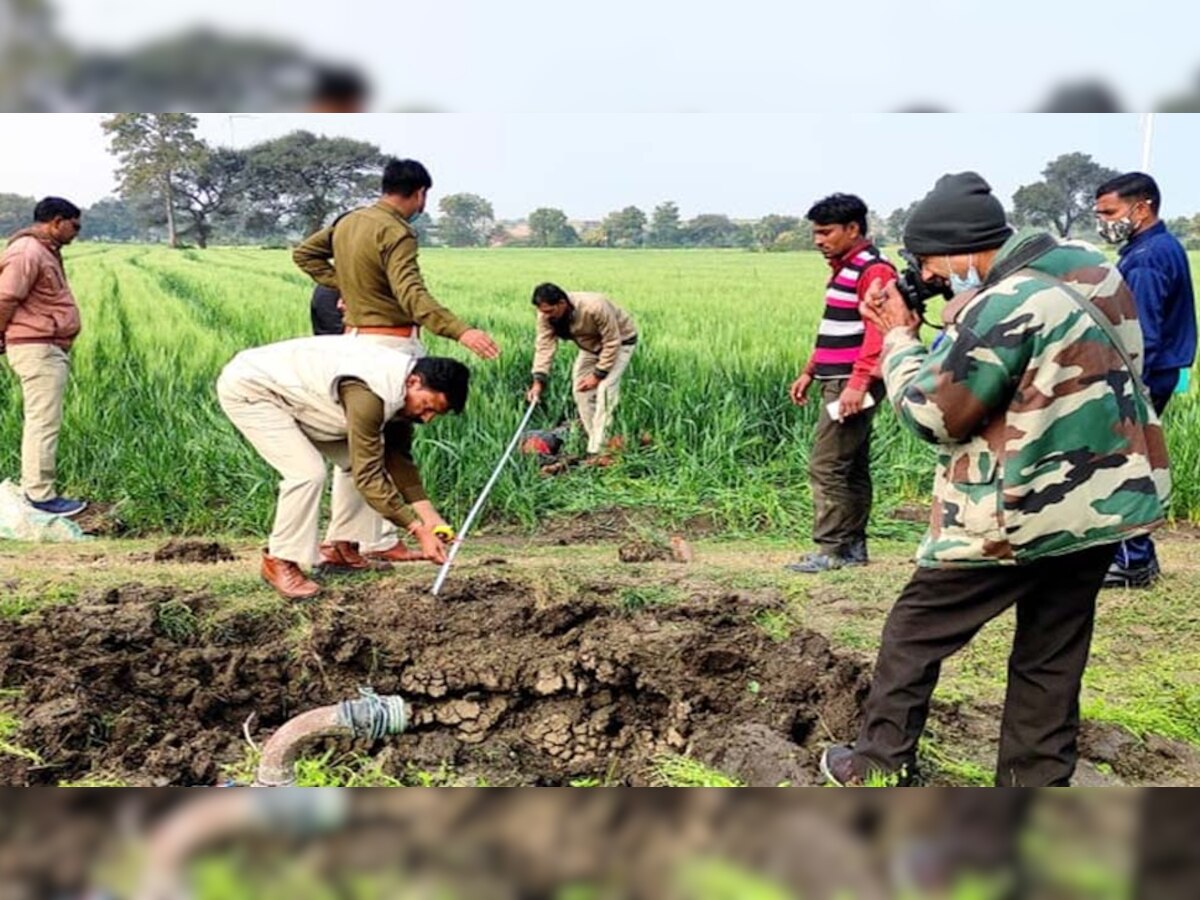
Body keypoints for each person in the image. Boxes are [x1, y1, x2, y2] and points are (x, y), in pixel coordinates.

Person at [820, 172, 1170, 787]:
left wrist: (901, 337)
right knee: (1051, 653)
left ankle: (875, 763)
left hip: (1016, 509)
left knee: (914, 632)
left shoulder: (1003, 304)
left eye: (929, 263)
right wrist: (965, 320)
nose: (927, 277)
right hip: (1103, 502)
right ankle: (1035, 783)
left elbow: (934, 415)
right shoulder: (1089, 268)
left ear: (960, 250)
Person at [293, 157, 499, 562]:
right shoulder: (396, 232)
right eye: (425, 199)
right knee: (385, 445)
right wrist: (462, 331)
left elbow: (304, 255)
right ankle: (372, 540)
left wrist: (350, 288)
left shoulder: (350, 222)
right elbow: (412, 296)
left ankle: (350, 540)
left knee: (360, 443)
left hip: (352, 342)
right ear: (420, 193)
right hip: (390, 347)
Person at [217, 335, 469, 599]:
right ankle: (279, 560)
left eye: (434, 414)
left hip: (301, 396)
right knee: (307, 473)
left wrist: (430, 518)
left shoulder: (403, 393)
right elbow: (368, 477)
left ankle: (340, 547)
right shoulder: (370, 394)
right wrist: (417, 530)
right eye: (427, 407)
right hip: (253, 389)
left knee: (362, 460)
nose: (426, 418)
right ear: (414, 381)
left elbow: (397, 457)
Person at [1094, 172, 1196, 588]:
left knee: (1126, 465)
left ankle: (1133, 560)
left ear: (1142, 207)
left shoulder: (1147, 259)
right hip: (1160, 370)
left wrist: (1130, 385)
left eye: (1110, 212)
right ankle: (1140, 557)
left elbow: (1143, 333)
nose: (1103, 220)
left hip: (1146, 373)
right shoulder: (1157, 246)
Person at [786, 193, 896, 573]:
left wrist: (858, 384)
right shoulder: (844, 268)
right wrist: (809, 370)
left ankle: (831, 549)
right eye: (815, 233)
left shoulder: (873, 270)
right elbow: (836, 328)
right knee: (851, 464)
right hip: (838, 378)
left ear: (853, 229)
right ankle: (852, 548)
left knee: (827, 464)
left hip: (851, 382)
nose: (819, 240)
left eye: (826, 232)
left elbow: (876, 333)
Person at [0, 197, 87, 517]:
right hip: (37, 347)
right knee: (43, 421)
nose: (77, 232)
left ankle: (37, 490)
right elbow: (6, 296)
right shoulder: (28, 252)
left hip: (46, 346)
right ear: (55, 221)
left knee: (44, 419)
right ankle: (39, 495)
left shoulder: (43, 250)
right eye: (74, 225)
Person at [524, 283, 637, 463]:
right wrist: (538, 381)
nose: (545, 316)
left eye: (550, 311)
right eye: (542, 311)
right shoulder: (546, 315)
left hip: (620, 343)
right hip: (590, 346)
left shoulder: (595, 306)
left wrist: (597, 375)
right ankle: (597, 442)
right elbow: (544, 346)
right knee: (580, 391)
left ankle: (597, 450)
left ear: (562, 303)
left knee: (605, 392)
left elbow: (612, 342)